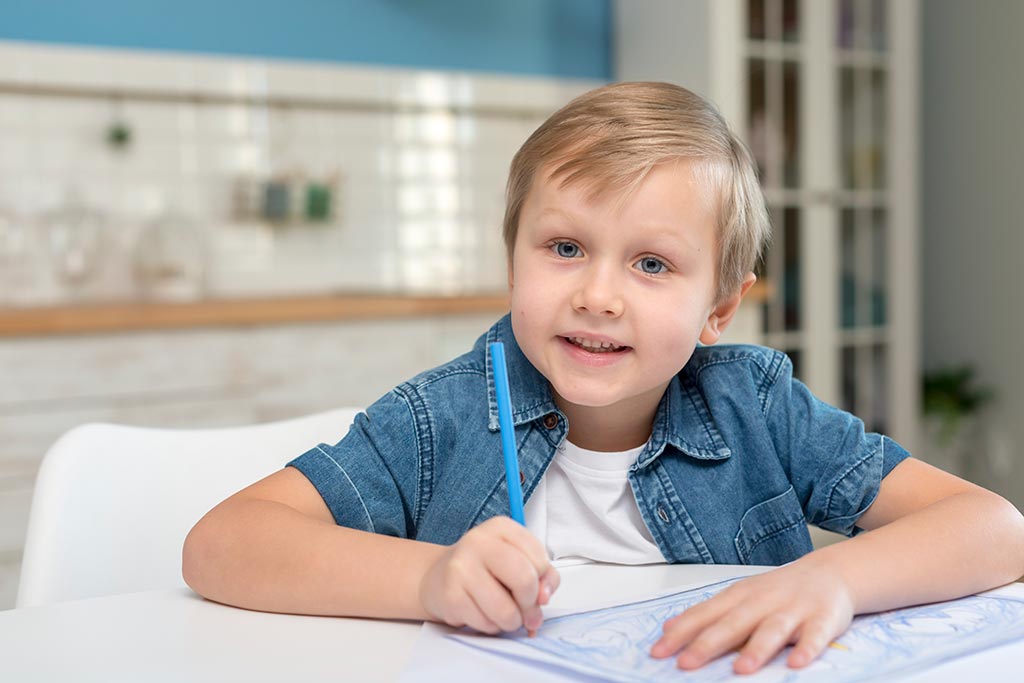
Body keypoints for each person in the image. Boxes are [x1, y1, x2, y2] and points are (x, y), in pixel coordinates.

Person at [182, 82, 1024, 674]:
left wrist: (831, 576)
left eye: (652, 263)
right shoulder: (442, 417)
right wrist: (429, 580)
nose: (597, 294)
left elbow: (994, 528)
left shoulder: (755, 407)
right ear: (511, 263)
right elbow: (222, 544)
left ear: (718, 312)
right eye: (564, 247)